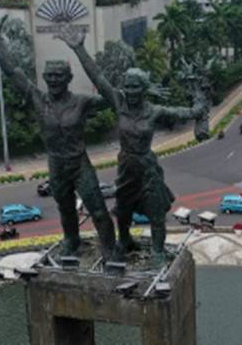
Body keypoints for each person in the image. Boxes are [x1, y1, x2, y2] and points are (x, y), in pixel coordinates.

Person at [0, 5, 117, 260]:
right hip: (56, 164)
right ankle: (72, 242)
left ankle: (110, 250)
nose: (54, 80)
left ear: (69, 78)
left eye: (59, 75)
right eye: (49, 75)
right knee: (66, 209)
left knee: (98, 210)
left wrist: (80, 49)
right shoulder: (37, 98)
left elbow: (109, 95)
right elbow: (12, 71)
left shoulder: (82, 102)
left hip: (79, 163)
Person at [58, 26, 209, 267]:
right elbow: (98, 77)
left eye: (135, 87)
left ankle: (158, 252)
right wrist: (79, 49)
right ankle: (125, 239)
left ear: (144, 88)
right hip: (126, 165)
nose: (130, 91)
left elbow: (183, 113)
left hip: (147, 166)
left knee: (156, 212)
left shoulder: (154, 111)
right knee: (124, 209)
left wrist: (198, 109)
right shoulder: (118, 103)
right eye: (127, 86)